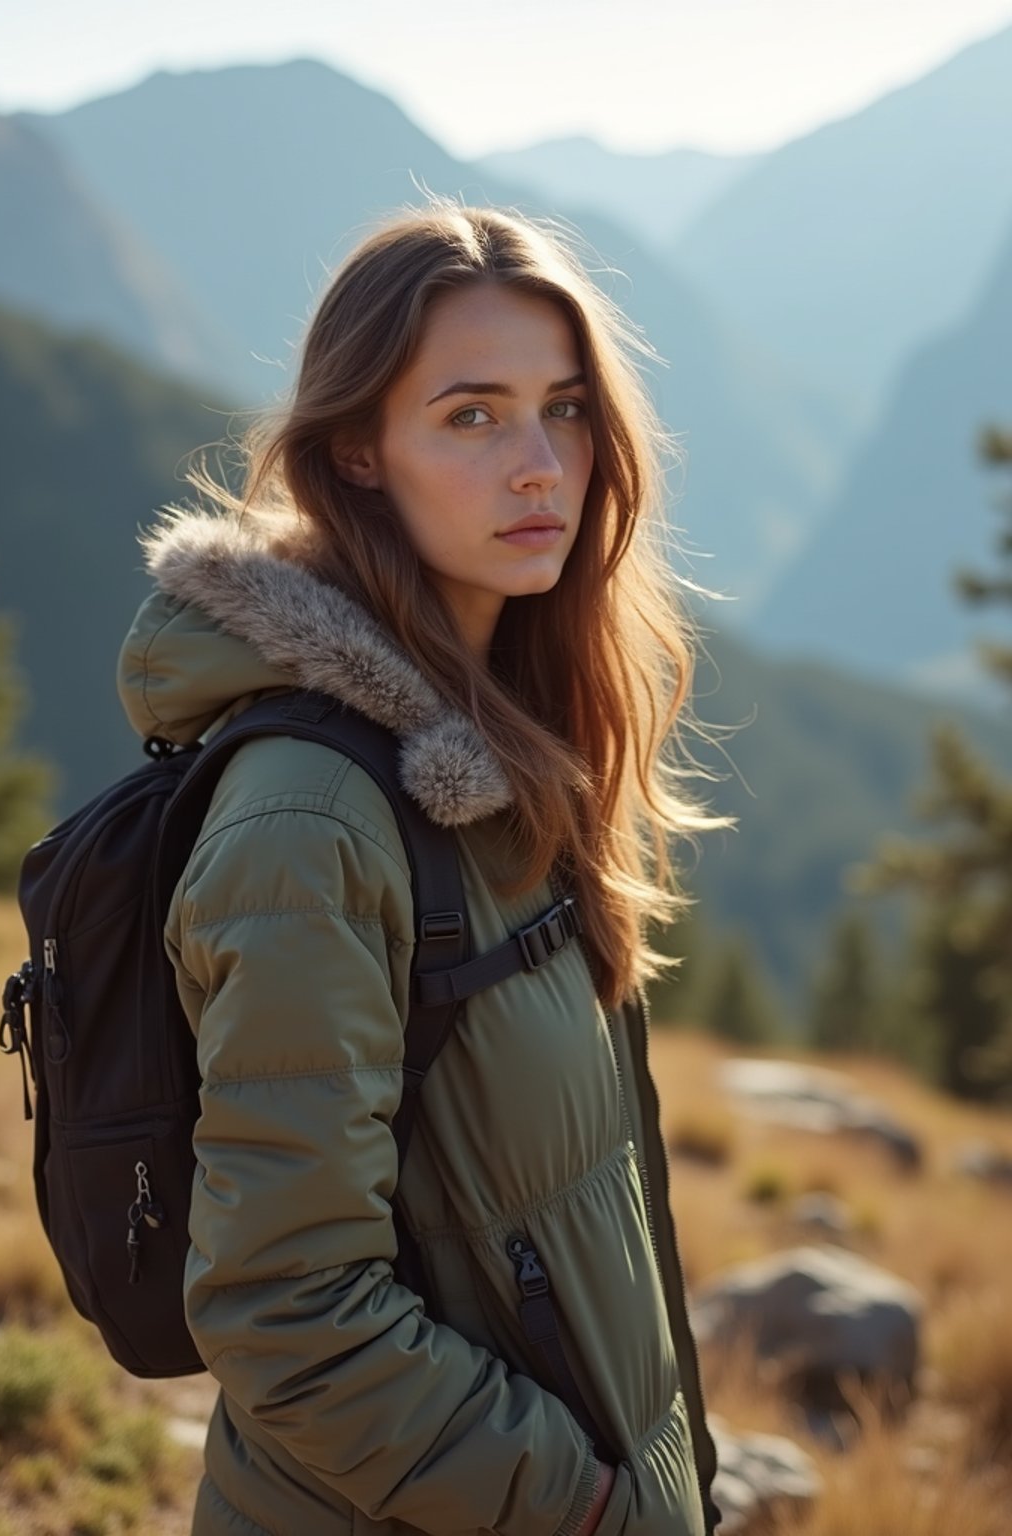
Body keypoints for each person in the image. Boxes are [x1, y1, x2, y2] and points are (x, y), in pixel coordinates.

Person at [117, 199, 724, 1536]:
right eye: (472, 415)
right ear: (358, 454)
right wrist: (586, 1510)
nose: (540, 466)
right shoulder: (314, 822)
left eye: (565, 409)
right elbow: (287, 1312)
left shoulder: (506, 758)